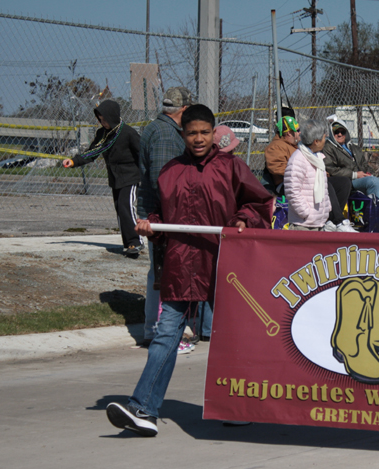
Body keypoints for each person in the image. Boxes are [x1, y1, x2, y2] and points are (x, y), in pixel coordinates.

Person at [105, 104, 273, 436]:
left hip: (224, 265)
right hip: (181, 265)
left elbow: (260, 202)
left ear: (214, 133)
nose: (198, 139)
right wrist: (150, 225)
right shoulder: (170, 171)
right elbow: (158, 212)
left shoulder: (232, 167)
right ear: (182, 134)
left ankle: (238, 406)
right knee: (165, 335)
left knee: (232, 337)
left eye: (204, 132)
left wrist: (243, 219)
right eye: (192, 133)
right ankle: (144, 409)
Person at [137, 86, 193, 349]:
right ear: (184, 109)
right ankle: (161, 331)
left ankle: (154, 329)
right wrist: (172, 216)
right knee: (166, 274)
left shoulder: (157, 128)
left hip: (158, 215)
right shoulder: (165, 135)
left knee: (159, 273)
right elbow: (163, 180)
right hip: (164, 216)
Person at [63, 100, 143, 257]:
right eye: (100, 119)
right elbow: (92, 153)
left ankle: (136, 241)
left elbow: (143, 153)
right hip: (115, 178)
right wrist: (73, 162)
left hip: (130, 177)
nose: (102, 122)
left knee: (126, 206)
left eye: (105, 119)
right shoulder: (102, 134)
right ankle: (128, 243)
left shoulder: (128, 133)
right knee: (120, 209)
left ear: (112, 117)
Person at [323, 116, 379, 232]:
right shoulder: (328, 147)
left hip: (364, 179)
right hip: (348, 181)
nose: (339, 134)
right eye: (336, 132)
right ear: (331, 133)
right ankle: (375, 218)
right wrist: (354, 174)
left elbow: (364, 164)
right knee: (372, 182)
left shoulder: (354, 148)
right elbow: (331, 169)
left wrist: (369, 172)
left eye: (342, 131)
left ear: (346, 133)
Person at [283, 119, 332, 231]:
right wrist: (305, 213)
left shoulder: (318, 158)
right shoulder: (298, 159)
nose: (325, 140)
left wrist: (327, 208)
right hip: (303, 224)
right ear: (316, 141)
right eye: (324, 137)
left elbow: (324, 188)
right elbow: (292, 191)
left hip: (318, 222)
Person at [263, 114, 301, 196]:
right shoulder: (275, 147)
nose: (300, 133)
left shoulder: (293, 145)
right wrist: (301, 173)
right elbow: (277, 168)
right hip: (286, 184)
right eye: (298, 130)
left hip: (299, 181)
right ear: (289, 133)